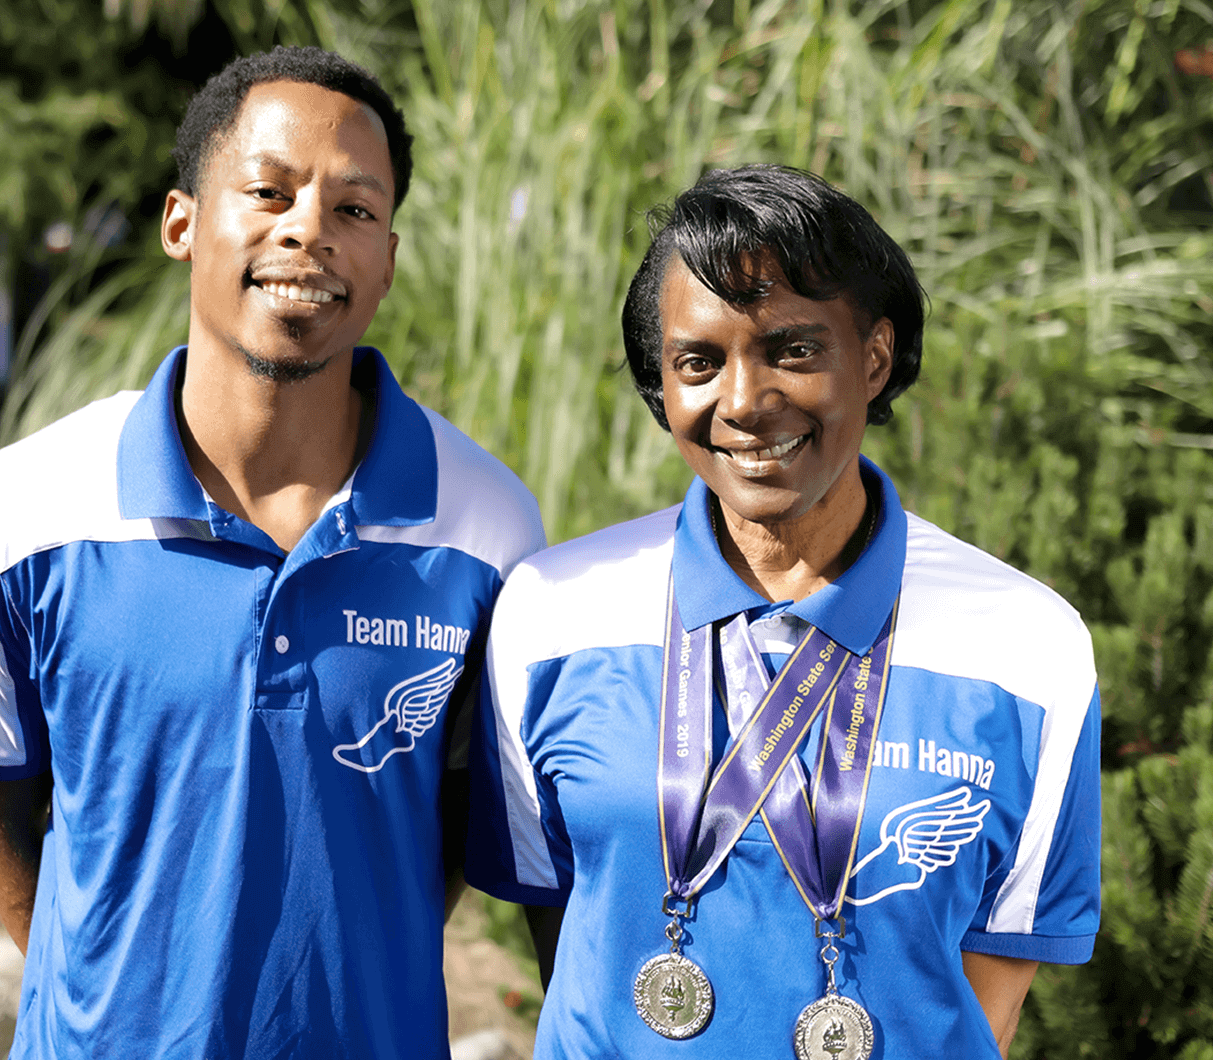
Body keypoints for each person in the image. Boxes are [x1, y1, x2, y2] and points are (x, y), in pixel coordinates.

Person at [0, 47, 545, 1060]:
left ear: (387, 253)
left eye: (353, 210)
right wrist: (81, 979)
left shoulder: (485, 529)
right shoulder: (25, 506)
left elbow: (464, 807)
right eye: (267, 190)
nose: (308, 229)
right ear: (183, 224)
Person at [467, 165, 1100, 1058]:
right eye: (699, 360)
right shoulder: (552, 613)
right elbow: (567, 923)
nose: (744, 402)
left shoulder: (1027, 645)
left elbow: (990, 990)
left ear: (873, 358)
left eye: (792, 350)